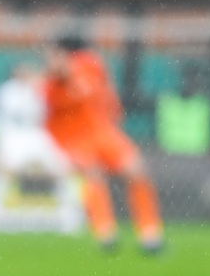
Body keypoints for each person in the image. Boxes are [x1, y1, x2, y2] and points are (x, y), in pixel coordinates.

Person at [43, 38, 165, 254]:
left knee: (137, 171)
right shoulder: (50, 88)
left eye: (55, 57)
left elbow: (104, 86)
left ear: (66, 56)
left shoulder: (89, 66)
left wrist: (113, 107)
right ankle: (105, 233)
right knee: (93, 174)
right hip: (74, 139)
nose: (52, 63)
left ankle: (149, 233)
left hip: (103, 132)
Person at [0, 65, 78, 232]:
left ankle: (70, 214)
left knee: (62, 169)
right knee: (0, 169)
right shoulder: (7, 91)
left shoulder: (44, 88)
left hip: (40, 133)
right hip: (15, 134)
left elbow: (56, 110)